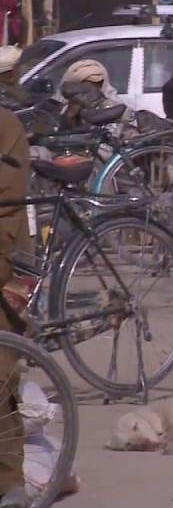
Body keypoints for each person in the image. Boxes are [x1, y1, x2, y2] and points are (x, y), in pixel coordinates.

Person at [0, 108, 28, 502]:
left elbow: (8, 206)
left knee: (1, 375)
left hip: (4, 261)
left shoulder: (6, 126)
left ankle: (10, 482)